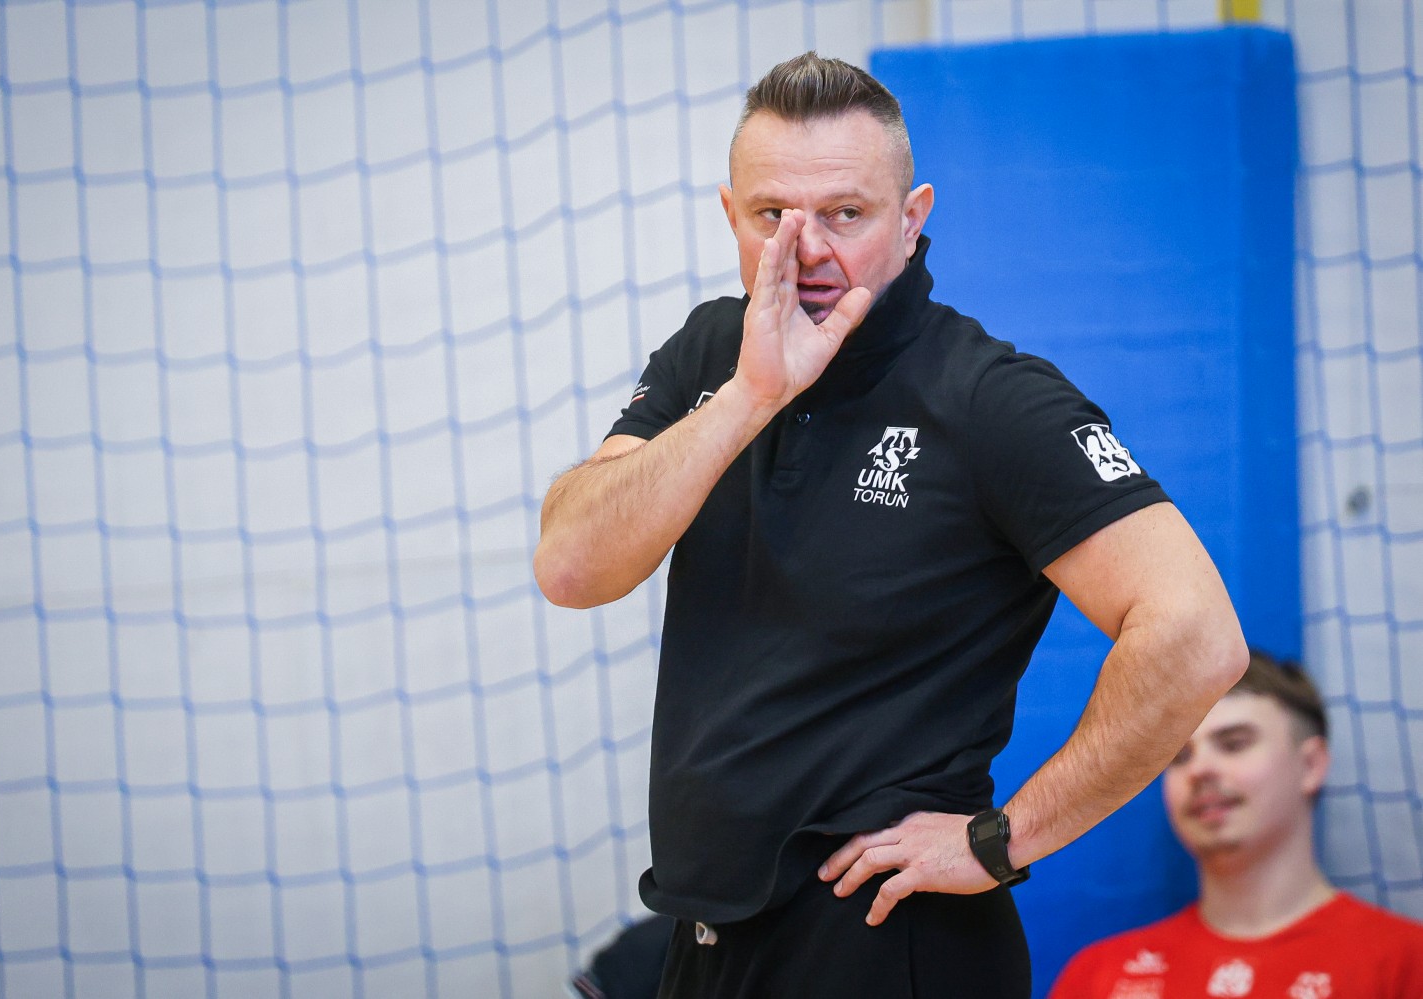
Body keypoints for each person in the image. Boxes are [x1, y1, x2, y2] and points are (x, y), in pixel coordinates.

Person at [534, 51, 1248, 998]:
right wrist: (750, 396)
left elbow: (1198, 635)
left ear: (911, 219)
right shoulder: (711, 353)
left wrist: (1002, 840)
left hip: (883, 939)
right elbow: (571, 566)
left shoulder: (989, 397)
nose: (806, 249)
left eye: (845, 213)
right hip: (707, 935)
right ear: (729, 216)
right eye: (772, 216)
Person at [1049, 651, 1423, 998]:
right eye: (1179, 756)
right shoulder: (1098, 975)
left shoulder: (1405, 963)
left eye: (1234, 744)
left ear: (1311, 765)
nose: (1199, 769)